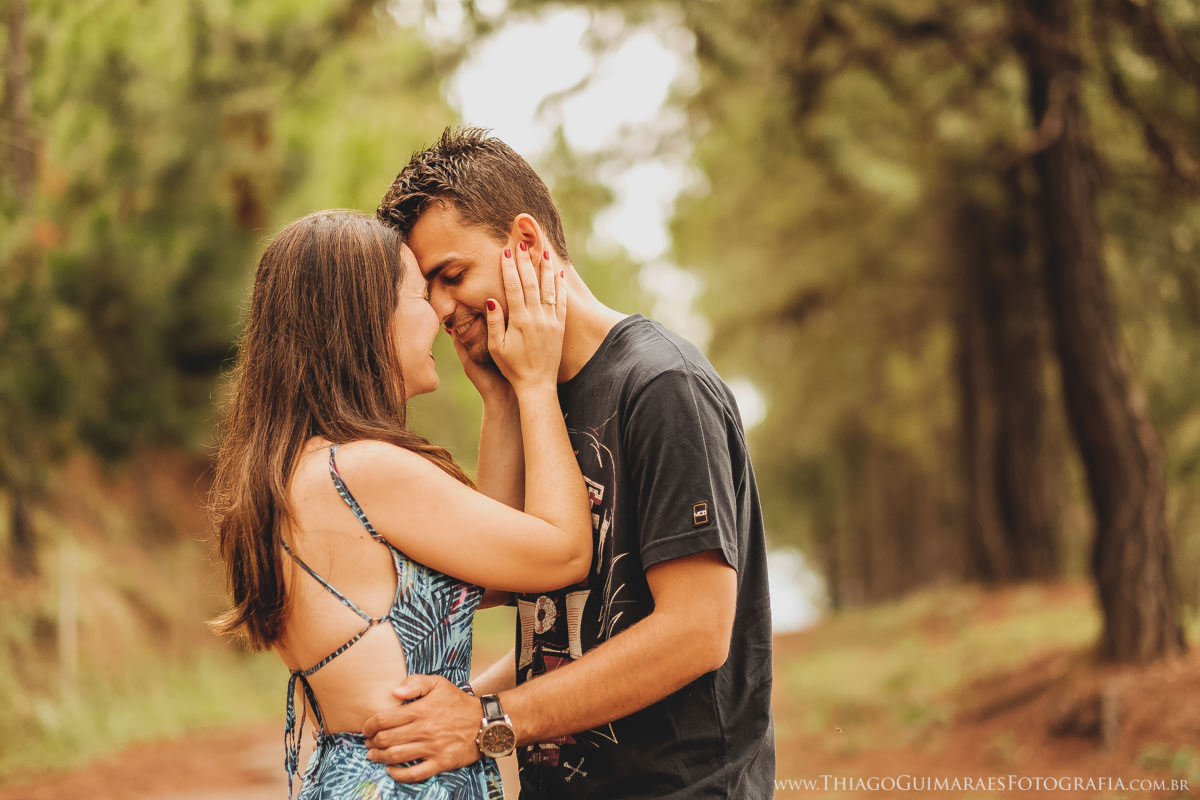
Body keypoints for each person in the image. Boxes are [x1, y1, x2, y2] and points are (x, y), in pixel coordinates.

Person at [366, 128, 775, 798]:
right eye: (428, 290)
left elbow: (696, 632)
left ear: (526, 244)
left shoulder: (662, 386)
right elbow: (507, 595)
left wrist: (485, 721)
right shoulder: (535, 395)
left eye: (452, 275)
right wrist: (500, 402)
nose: (439, 308)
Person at [208, 209, 593, 799]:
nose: (440, 314)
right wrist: (535, 383)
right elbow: (561, 555)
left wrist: (497, 400)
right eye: (419, 293)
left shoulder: (302, 471)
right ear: (368, 320)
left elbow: (487, 564)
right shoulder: (364, 470)